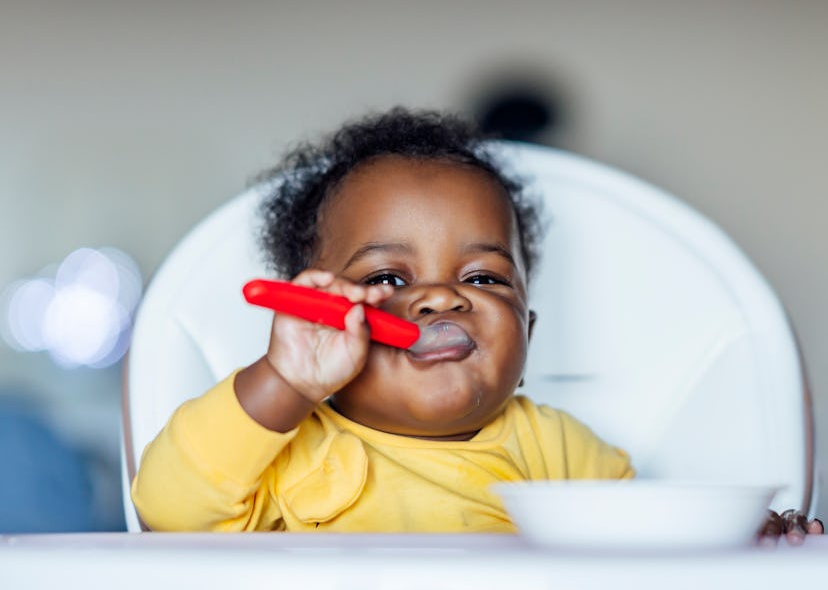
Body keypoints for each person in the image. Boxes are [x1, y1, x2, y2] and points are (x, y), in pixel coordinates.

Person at [130, 107, 820, 540]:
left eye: (483, 279)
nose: (439, 301)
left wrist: (745, 539)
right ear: (318, 320)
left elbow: (638, 550)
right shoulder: (288, 449)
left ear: (528, 328)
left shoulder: (554, 448)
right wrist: (283, 382)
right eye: (388, 280)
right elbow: (168, 507)